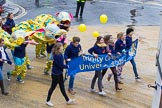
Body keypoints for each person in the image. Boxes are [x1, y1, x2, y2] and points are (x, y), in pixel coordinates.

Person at [46, 43, 75, 107]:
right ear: (58, 49)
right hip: (56, 74)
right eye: (62, 47)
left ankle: (67, 100)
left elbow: (61, 63)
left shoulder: (60, 54)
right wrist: (68, 66)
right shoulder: (57, 56)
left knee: (62, 87)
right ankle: (48, 100)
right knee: (52, 87)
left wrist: (67, 60)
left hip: (59, 73)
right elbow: (61, 65)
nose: (63, 48)